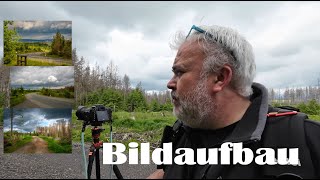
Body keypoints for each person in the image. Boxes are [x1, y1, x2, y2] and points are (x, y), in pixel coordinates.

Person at [147, 25, 320, 179]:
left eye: (179, 72)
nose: (170, 84)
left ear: (220, 77)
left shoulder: (307, 139)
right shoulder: (180, 132)